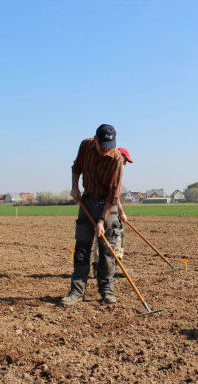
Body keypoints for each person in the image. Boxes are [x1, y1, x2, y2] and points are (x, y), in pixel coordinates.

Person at [61, 124, 125, 306]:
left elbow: (113, 195)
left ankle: (107, 291)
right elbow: (76, 167)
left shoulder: (117, 159)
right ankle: (76, 292)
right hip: (87, 202)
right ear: (95, 140)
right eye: (102, 146)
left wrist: (102, 220)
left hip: (107, 205)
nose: (106, 151)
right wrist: (75, 187)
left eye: (109, 147)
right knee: (81, 250)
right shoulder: (85, 146)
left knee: (106, 251)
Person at [92, 147, 133, 278]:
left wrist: (120, 211)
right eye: (125, 160)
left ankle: (109, 268)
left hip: (107, 207)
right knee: (108, 237)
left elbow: (115, 195)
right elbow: (112, 195)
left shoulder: (111, 168)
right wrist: (120, 211)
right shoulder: (110, 169)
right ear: (119, 156)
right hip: (105, 208)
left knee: (112, 235)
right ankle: (103, 269)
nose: (125, 164)